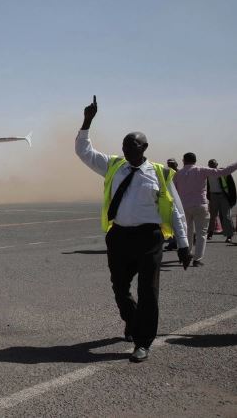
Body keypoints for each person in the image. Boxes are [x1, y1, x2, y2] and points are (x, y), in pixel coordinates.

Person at [75, 96, 190, 363]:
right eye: (125, 145)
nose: (127, 149)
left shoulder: (160, 173)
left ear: (145, 147)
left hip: (149, 238)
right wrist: (87, 120)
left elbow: (175, 210)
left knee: (148, 291)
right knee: (119, 288)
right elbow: (84, 152)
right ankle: (132, 319)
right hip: (119, 236)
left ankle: (143, 342)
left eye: (133, 145)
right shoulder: (113, 166)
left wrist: (183, 245)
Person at [173, 153, 237, 266]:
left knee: (187, 232)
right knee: (201, 234)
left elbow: (174, 192)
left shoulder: (178, 174)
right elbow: (223, 172)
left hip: (184, 207)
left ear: (183, 161)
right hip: (200, 206)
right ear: (195, 160)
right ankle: (197, 260)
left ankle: (186, 254)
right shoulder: (201, 170)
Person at [206, 159, 236, 243]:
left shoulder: (223, 172)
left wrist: (232, 198)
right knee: (212, 216)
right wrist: (208, 196)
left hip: (223, 196)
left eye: (213, 164)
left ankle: (229, 235)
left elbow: (231, 186)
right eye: (210, 164)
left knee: (226, 216)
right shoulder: (207, 173)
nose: (212, 165)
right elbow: (207, 186)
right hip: (213, 196)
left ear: (217, 164)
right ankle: (210, 233)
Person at [163, 158, 180, 251]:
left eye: (172, 164)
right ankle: (172, 242)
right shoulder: (166, 173)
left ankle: (181, 243)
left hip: (180, 200)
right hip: (170, 200)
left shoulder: (181, 174)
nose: (170, 165)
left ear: (176, 164)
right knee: (170, 222)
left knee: (180, 222)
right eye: (169, 164)